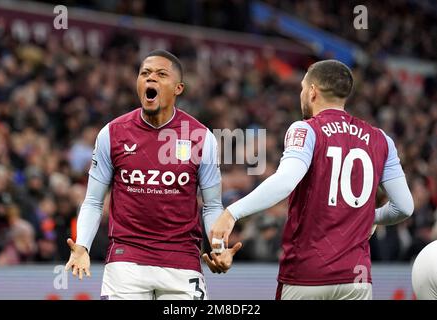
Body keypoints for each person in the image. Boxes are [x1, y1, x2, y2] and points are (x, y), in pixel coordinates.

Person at [207, 60, 414, 300]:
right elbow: (404, 207)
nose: (302, 94)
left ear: (313, 91)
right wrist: (369, 216)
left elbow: (286, 181)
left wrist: (232, 213)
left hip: (307, 274)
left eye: (303, 88)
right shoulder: (381, 139)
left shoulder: (306, 129)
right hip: (356, 278)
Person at [65, 49, 240, 300]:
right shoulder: (112, 134)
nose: (151, 79)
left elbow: (212, 206)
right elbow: (93, 201)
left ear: (178, 88)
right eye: (145, 73)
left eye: (161, 74)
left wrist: (218, 248)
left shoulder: (201, 138)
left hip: (181, 263)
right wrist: (82, 246)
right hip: (126, 262)